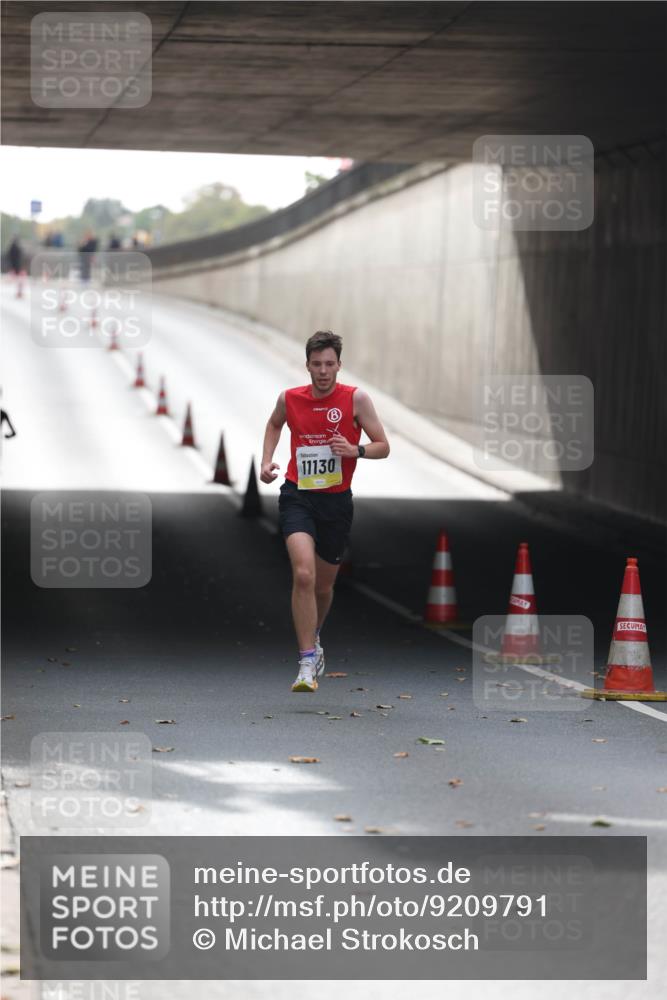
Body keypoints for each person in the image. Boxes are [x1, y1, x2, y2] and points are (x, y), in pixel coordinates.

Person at [260, 330, 390, 692]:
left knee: (324, 584)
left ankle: (314, 638)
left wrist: (355, 450)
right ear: (307, 366)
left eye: (329, 364)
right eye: (316, 364)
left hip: (336, 501)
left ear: (339, 366)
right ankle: (305, 662)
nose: (322, 371)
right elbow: (274, 424)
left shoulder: (355, 399)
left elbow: (384, 446)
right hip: (297, 494)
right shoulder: (290, 398)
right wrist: (267, 461)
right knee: (303, 574)